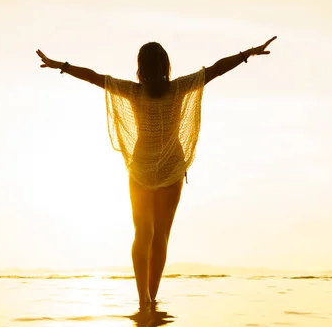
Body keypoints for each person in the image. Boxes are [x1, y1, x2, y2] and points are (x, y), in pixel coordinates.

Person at [36, 36, 276, 307]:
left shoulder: (134, 91)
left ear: (140, 67)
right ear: (166, 65)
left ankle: (143, 299)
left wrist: (61, 65)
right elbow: (217, 69)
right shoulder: (178, 88)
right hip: (172, 165)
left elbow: (94, 77)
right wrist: (248, 53)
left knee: (143, 233)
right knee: (160, 234)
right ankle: (151, 298)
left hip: (141, 166)